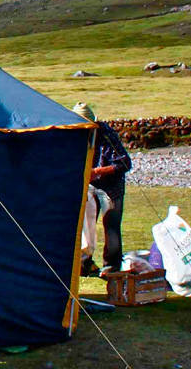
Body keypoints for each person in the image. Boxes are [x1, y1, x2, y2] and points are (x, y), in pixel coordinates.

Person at [74, 102, 131, 274]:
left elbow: (124, 163)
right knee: (85, 223)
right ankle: (84, 262)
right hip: (90, 184)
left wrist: (97, 171)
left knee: (111, 224)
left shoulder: (106, 135)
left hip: (110, 186)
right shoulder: (75, 134)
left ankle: (111, 265)